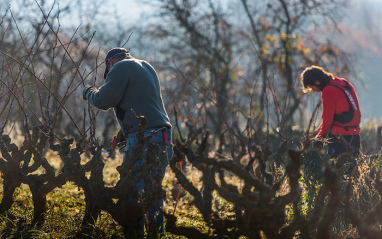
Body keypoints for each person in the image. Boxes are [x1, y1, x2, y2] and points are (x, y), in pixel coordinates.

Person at [82, 47, 172, 235]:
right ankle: (157, 234)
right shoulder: (146, 66)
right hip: (163, 135)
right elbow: (143, 103)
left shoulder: (120, 67)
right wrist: (128, 130)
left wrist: (89, 92)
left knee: (134, 191)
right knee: (153, 191)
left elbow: (103, 100)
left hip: (144, 139)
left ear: (110, 63)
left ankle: (134, 234)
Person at [300, 65, 361, 158]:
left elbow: (328, 120)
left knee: (336, 170)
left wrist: (319, 140)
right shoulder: (344, 83)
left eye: (312, 87)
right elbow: (336, 116)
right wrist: (317, 133)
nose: (315, 91)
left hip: (340, 138)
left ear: (317, 82)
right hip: (355, 136)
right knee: (352, 170)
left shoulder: (328, 90)